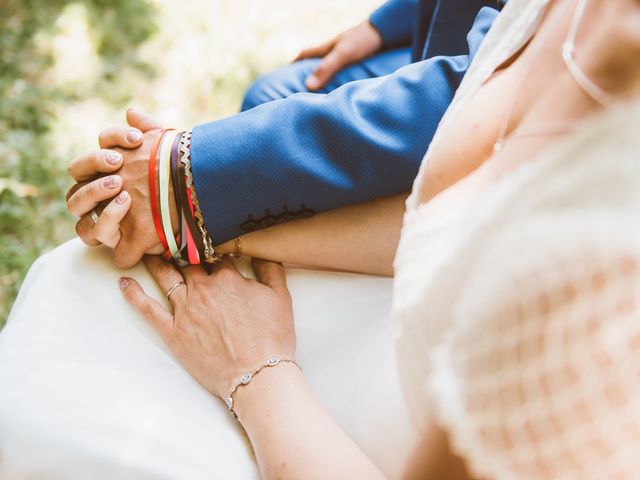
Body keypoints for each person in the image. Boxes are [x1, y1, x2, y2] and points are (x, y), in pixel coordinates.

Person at [2, 0, 640, 477]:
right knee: (80, 288)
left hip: (349, 430)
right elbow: (444, 210)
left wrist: (256, 371)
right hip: (400, 317)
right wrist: (212, 228)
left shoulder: (605, 267)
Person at [65, 1, 503, 270]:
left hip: (490, 94)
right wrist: (382, 25)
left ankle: (219, 232)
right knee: (271, 93)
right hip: (462, 38)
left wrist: (184, 173)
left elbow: (484, 89)